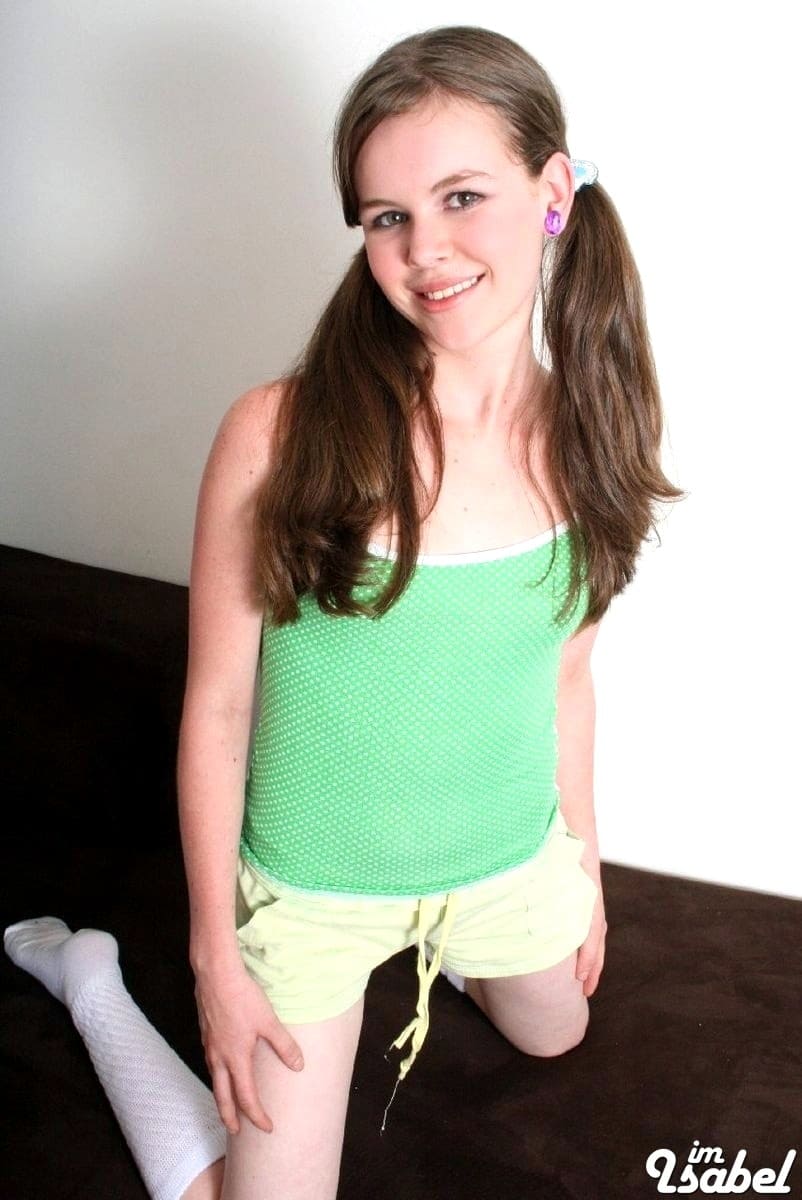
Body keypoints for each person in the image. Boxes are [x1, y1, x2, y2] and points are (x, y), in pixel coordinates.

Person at [4, 24, 683, 1200]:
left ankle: (442, 938)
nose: (425, 250)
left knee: (556, 1031)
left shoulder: (593, 429)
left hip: (503, 858)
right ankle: (92, 985)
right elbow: (220, 708)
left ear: (551, 192)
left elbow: (564, 679)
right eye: (385, 217)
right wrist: (214, 960)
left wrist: (581, 871)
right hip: (313, 888)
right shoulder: (276, 432)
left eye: (461, 197)